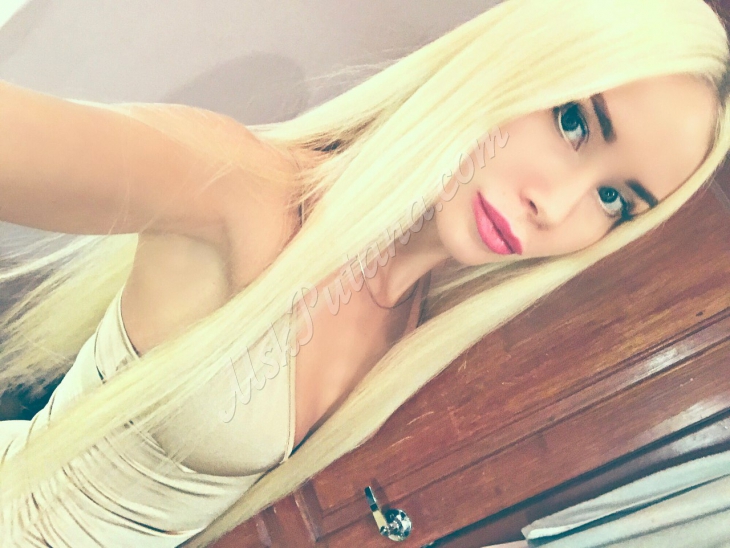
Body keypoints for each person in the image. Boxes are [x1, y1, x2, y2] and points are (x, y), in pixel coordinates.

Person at [0, 0, 728, 546]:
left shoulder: (409, 329)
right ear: (511, 66)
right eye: (573, 121)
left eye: (614, 200)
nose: (557, 205)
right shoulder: (245, 192)